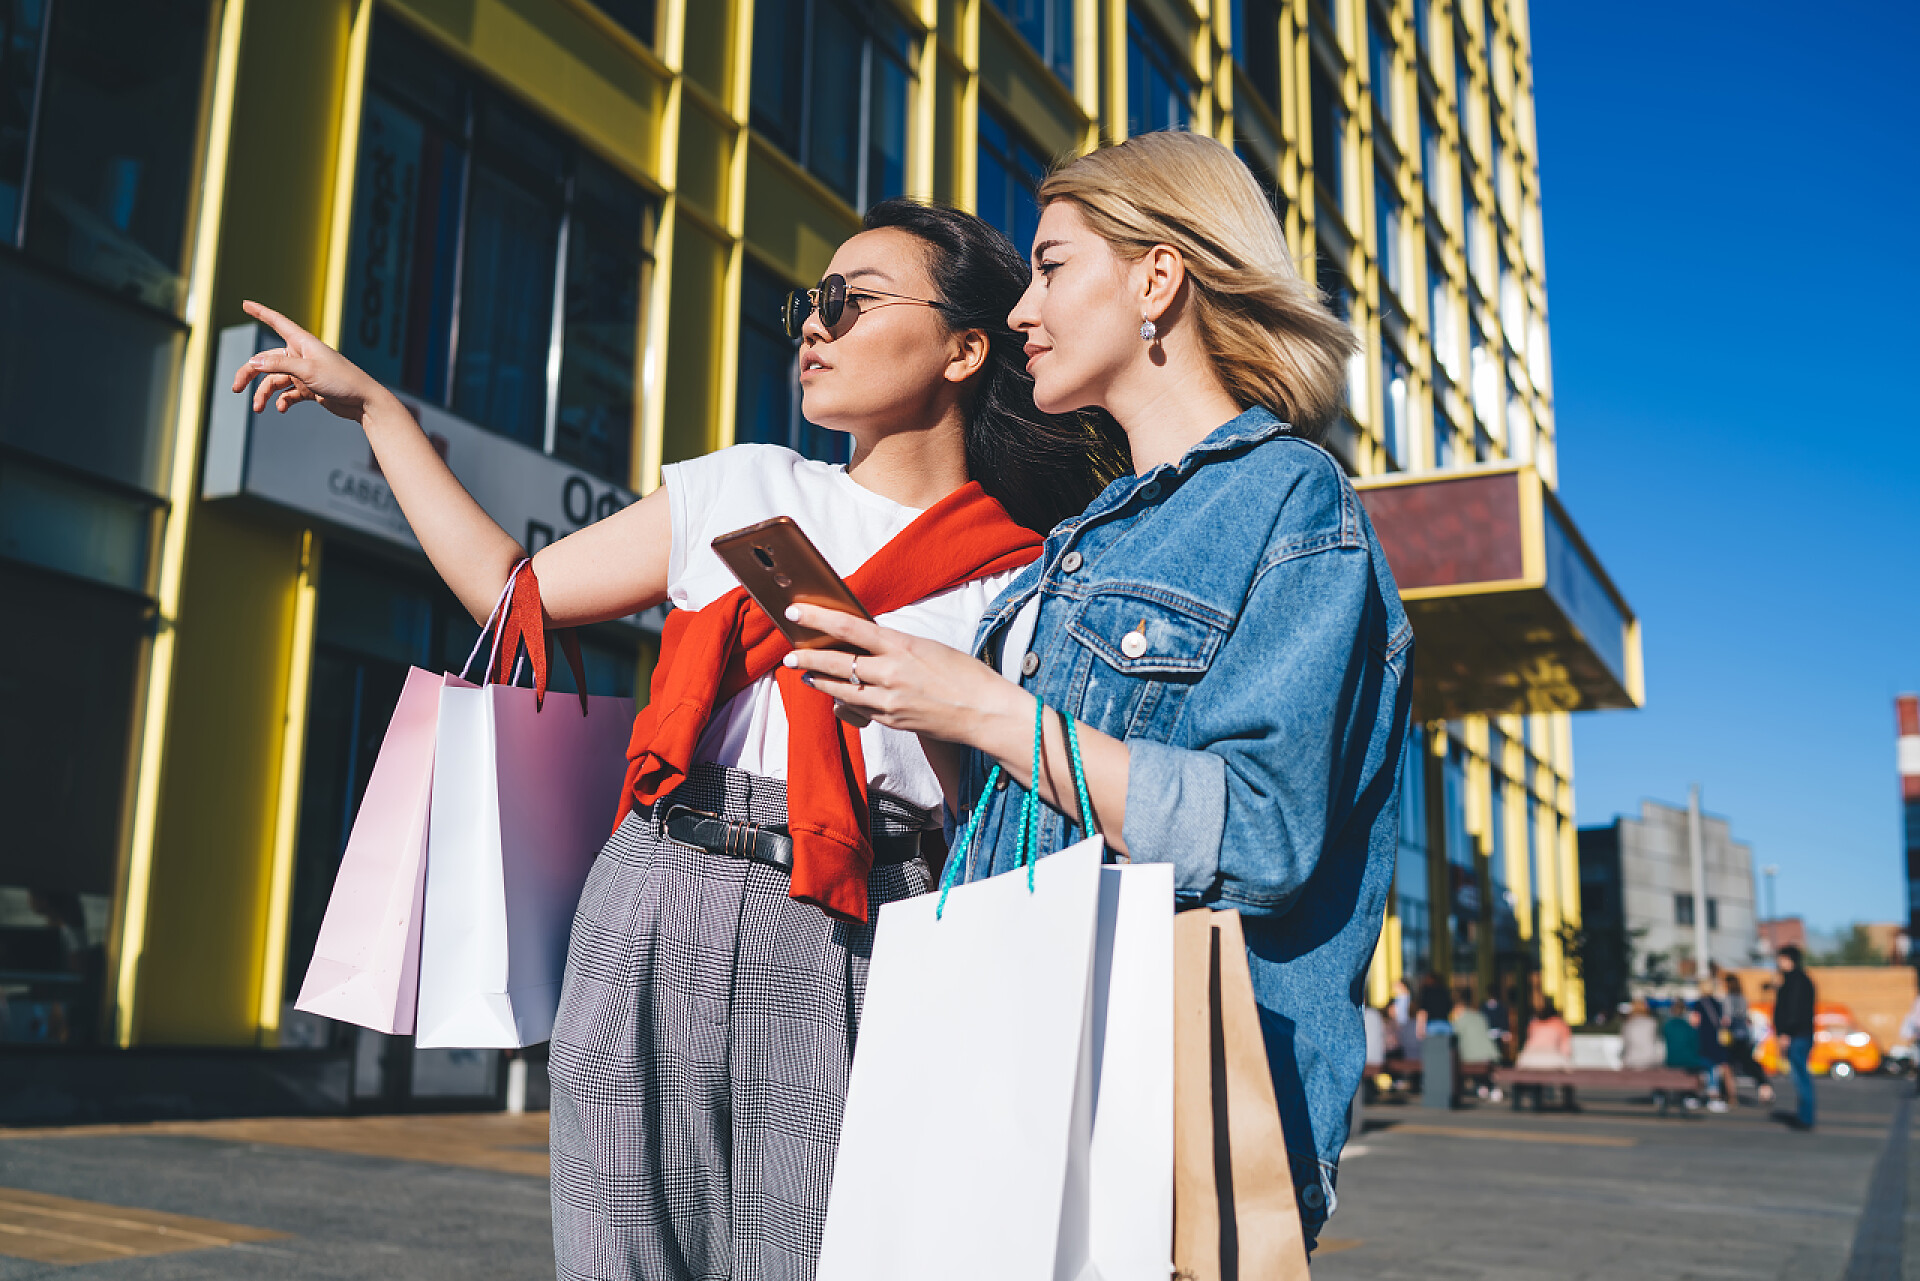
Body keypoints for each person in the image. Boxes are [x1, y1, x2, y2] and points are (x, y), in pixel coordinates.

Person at [233, 199, 1126, 1281]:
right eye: (810, 302)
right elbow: (514, 598)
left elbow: (1025, 795)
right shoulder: (745, 485)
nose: (813, 324)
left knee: (818, 1249)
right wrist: (377, 410)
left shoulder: (1028, 572)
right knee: (617, 1252)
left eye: (850, 301)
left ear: (964, 348)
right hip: (655, 883)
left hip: (857, 912)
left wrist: (925, 703)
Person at [782, 131, 1410, 1245]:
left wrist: (984, 709)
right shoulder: (1081, 538)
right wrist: (915, 701)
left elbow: (1262, 835)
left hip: (1162, 1108)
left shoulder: (1291, 505)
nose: (1024, 312)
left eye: (1054, 267)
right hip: (1002, 1060)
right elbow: (1027, 808)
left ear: (1158, 278)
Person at [1773, 944, 1817, 1130]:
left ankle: (1805, 1118)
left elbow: (1792, 1011)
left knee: (1800, 1076)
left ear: (1787, 959)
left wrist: (1786, 1033)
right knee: (1800, 1075)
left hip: (1797, 1035)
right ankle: (1804, 1115)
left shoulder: (1795, 981)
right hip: (1801, 1034)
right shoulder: (1800, 980)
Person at [1514, 998, 1576, 1109]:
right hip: (1551, 1059)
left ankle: (1518, 1103)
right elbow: (1566, 1048)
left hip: (1529, 1059)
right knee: (1568, 1075)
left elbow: (1528, 1043)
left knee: (1532, 1075)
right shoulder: (1560, 1025)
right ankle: (1568, 1103)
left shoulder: (1534, 1024)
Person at [1722, 973, 1769, 1102]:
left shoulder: (1728, 999)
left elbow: (1727, 1018)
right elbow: (1745, 1016)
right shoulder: (1743, 998)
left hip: (1732, 1036)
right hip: (1744, 1034)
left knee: (1729, 1065)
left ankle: (1729, 1094)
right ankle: (1764, 1085)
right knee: (1747, 1061)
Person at [1450, 987, 1501, 1100]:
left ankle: (1483, 1087)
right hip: (1490, 1054)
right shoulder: (1479, 1016)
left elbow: (1454, 1036)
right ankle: (1489, 1088)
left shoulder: (1461, 1020)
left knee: (1463, 1061)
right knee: (1484, 1067)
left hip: (1472, 1057)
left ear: (1459, 1008)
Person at [1693, 982, 1733, 1113]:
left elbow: (1695, 1022)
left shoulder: (1699, 1004)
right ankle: (1714, 1096)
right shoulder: (1717, 1003)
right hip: (1715, 1038)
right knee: (1713, 1068)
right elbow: (1724, 1021)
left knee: (1702, 1067)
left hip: (1702, 1037)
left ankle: (1699, 1094)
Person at [1416, 971, 1453, 1041]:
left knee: (1432, 1050)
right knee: (1444, 1050)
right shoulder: (1445, 991)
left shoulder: (1426, 992)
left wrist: (1420, 1029)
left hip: (1431, 1025)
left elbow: (1423, 1012)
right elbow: (1450, 1008)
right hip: (1445, 1024)